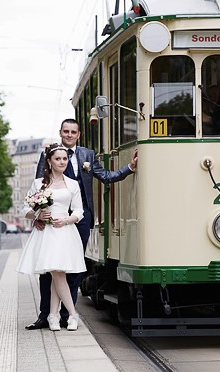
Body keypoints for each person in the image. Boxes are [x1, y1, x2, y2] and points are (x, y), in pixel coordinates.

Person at [25, 118, 138, 330]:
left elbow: (105, 176)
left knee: (75, 268)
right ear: (60, 132)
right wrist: (39, 217)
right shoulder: (47, 154)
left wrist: (129, 168)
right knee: (48, 269)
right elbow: (40, 188)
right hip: (51, 219)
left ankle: (67, 315)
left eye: (73, 132)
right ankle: (45, 315)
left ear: (78, 135)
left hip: (80, 218)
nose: (69, 135)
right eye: (65, 131)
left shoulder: (87, 155)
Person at [16, 143, 85, 331]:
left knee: (58, 273)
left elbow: (79, 210)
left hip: (65, 231)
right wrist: (37, 215)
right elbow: (25, 209)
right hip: (46, 233)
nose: (62, 162)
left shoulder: (72, 184)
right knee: (56, 272)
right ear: (49, 161)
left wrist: (67, 220)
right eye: (57, 159)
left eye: (64, 159)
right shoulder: (39, 184)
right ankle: (72, 314)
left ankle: (54, 316)